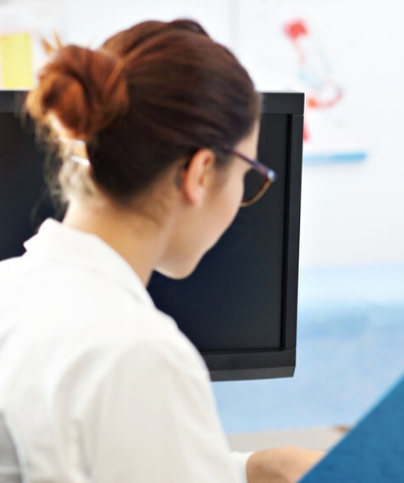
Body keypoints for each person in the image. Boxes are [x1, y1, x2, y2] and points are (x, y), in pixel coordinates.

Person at [0, 19, 321, 482]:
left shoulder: (12, 290)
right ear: (201, 173)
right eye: (247, 174)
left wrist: (253, 468)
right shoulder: (139, 353)